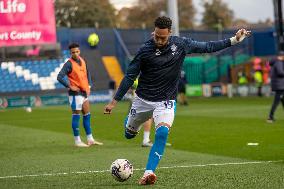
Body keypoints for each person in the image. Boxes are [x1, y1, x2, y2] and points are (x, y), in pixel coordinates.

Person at [104, 16, 250, 185]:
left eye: (163, 37)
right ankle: (130, 123)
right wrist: (114, 101)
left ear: (170, 33)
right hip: (142, 100)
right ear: (154, 32)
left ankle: (148, 173)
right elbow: (130, 76)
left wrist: (234, 40)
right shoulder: (144, 50)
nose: (159, 40)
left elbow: (208, 47)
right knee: (128, 135)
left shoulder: (181, 44)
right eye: (156, 36)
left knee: (162, 133)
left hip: (165, 101)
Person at [57, 43, 103, 147]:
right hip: (75, 94)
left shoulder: (82, 60)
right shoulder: (68, 64)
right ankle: (77, 141)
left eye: (77, 51)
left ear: (79, 51)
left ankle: (90, 139)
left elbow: (88, 73)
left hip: (84, 92)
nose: (75, 54)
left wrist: (89, 86)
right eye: (73, 52)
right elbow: (59, 76)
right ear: (70, 53)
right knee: (76, 116)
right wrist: (69, 86)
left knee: (87, 115)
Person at [267, 54, 284, 123]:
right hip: (280, 85)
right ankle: (270, 117)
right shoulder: (279, 63)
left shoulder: (275, 62)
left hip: (279, 84)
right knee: (276, 102)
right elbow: (280, 72)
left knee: (282, 100)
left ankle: (270, 117)